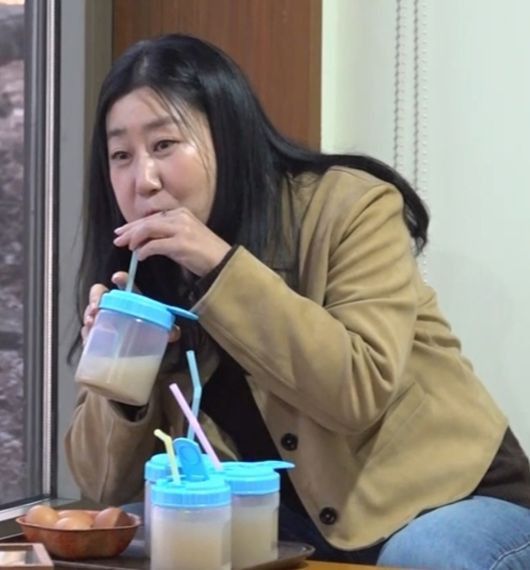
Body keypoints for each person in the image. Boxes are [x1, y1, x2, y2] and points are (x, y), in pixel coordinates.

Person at [65, 34, 530, 568]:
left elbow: (357, 389)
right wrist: (121, 375)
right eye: (121, 155)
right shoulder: (143, 274)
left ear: (228, 137)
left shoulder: (349, 208)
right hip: (284, 520)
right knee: (132, 536)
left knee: (425, 555)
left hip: (449, 503)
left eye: (164, 145)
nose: (142, 180)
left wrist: (220, 268)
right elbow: (103, 486)